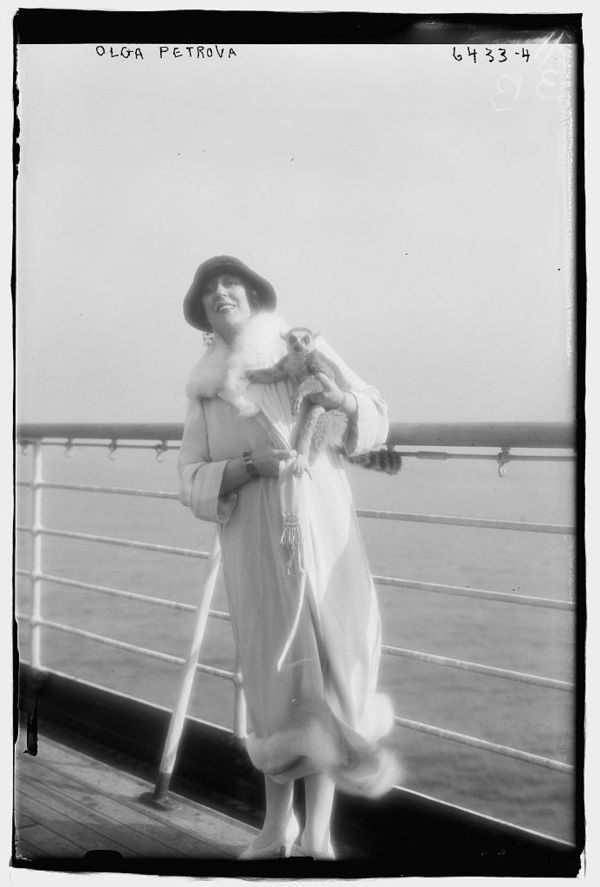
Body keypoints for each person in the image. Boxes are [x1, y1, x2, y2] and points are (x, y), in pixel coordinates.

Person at [178, 256, 399, 859]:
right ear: (202, 314)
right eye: (208, 290)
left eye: (231, 283)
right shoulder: (206, 390)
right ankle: (278, 827)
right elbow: (190, 477)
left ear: (253, 295)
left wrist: (340, 401)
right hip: (257, 545)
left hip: (322, 530)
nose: (221, 293)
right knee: (276, 676)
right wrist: (249, 466)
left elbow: (374, 412)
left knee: (328, 670)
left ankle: (318, 833)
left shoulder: (302, 348)